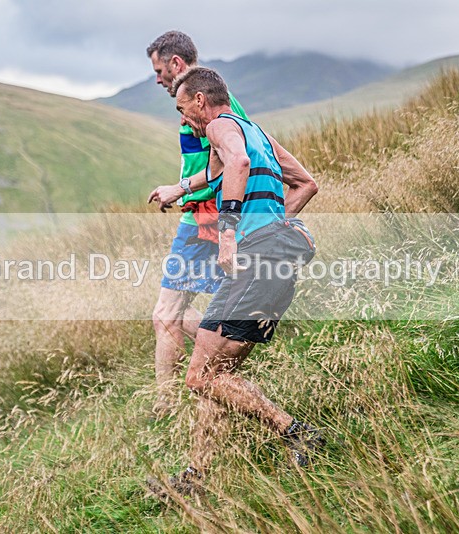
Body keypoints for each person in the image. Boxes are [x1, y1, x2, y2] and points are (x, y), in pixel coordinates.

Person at [148, 67, 322, 498]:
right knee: (215, 375)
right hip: (280, 252)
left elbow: (236, 163)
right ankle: (197, 477)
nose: (184, 118)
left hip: (256, 255)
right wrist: (179, 189)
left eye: (183, 109)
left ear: (201, 101)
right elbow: (305, 183)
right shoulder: (252, 131)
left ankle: (295, 431)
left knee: (201, 378)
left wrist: (231, 235)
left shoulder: (222, 126)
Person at [145, 31, 249, 418]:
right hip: (201, 215)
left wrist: (182, 188)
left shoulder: (207, 106)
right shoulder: (205, 99)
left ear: (175, 64)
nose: (157, 79)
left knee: (166, 314)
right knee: (170, 314)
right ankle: (183, 390)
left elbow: (230, 160)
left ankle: (167, 404)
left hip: (208, 218)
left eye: (159, 70)